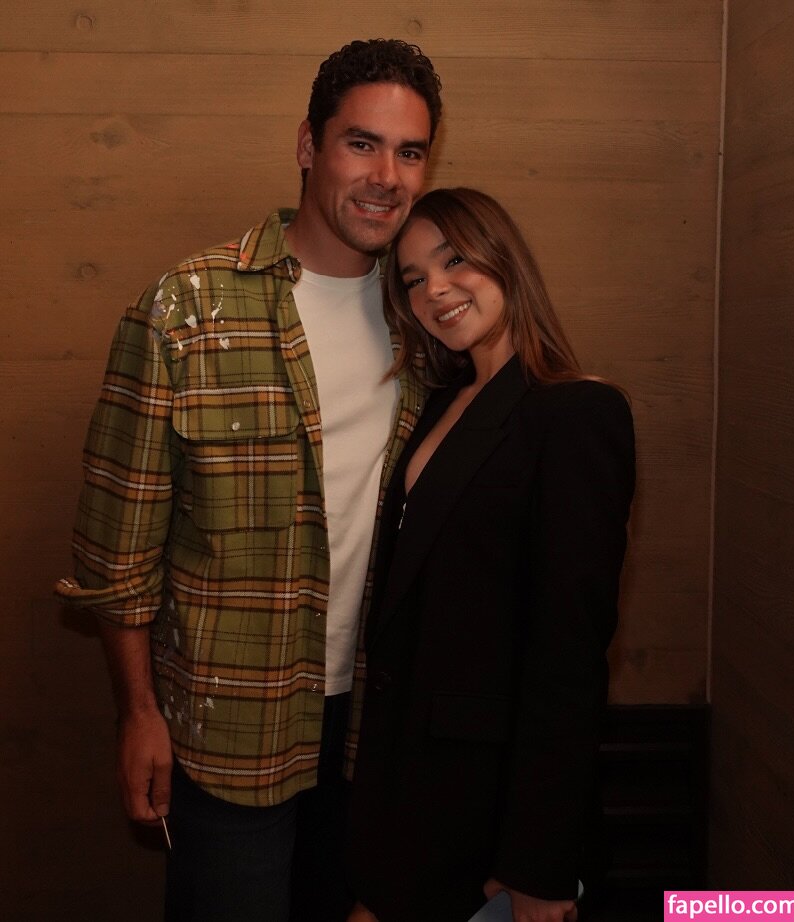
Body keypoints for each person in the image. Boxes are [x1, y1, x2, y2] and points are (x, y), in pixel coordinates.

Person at [55, 39, 442, 922]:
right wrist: (137, 714)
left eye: (410, 152)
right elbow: (117, 555)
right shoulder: (185, 309)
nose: (386, 176)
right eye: (361, 144)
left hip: (375, 731)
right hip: (231, 731)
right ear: (308, 145)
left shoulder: (425, 315)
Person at [345, 188, 636, 922]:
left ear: (504, 259)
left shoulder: (576, 412)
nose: (435, 290)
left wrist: (538, 865)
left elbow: (569, 655)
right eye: (414, 278)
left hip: (492, 816)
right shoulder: (440, 404)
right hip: (407, 785)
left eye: (454, 261)